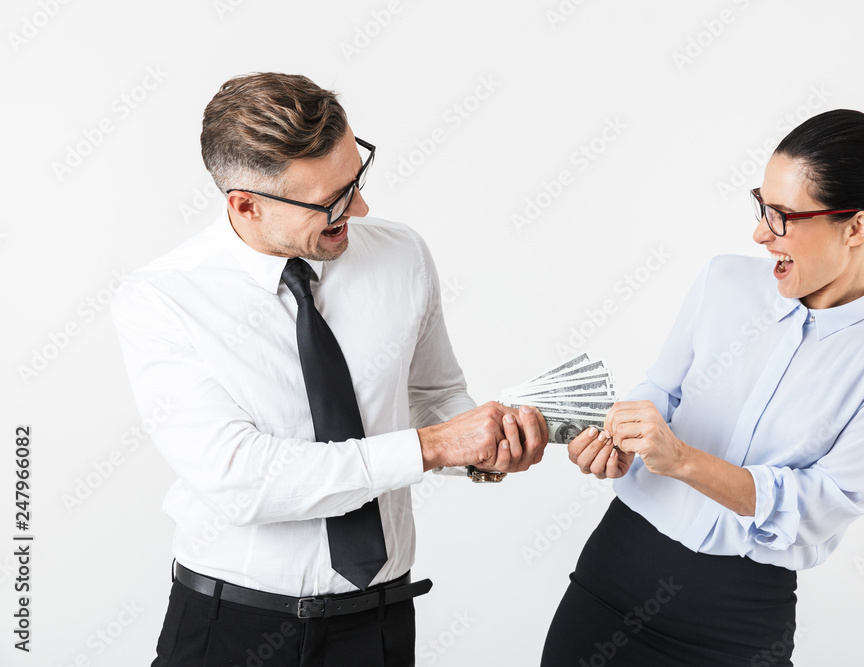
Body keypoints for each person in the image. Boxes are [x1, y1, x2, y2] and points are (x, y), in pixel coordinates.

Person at [111, 72, 548, 667]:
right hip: (233, 628)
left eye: (357, 179)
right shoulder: (163, 300)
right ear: (246, 204)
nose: (361, 208)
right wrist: (433, 447)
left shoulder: (401, 255)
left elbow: (431, 393)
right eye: (332, 200)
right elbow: (240, 477)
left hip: (381, 621)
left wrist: (481, 442)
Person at [541, 109, 864, 666]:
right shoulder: (724, 281)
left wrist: (684, 461)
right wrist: (621, 441)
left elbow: (825, 503)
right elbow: (661, 391)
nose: (760, 232)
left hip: (736, 620)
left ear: (859, 227)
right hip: (616, 572)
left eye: (783, 215)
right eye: (761, 206)